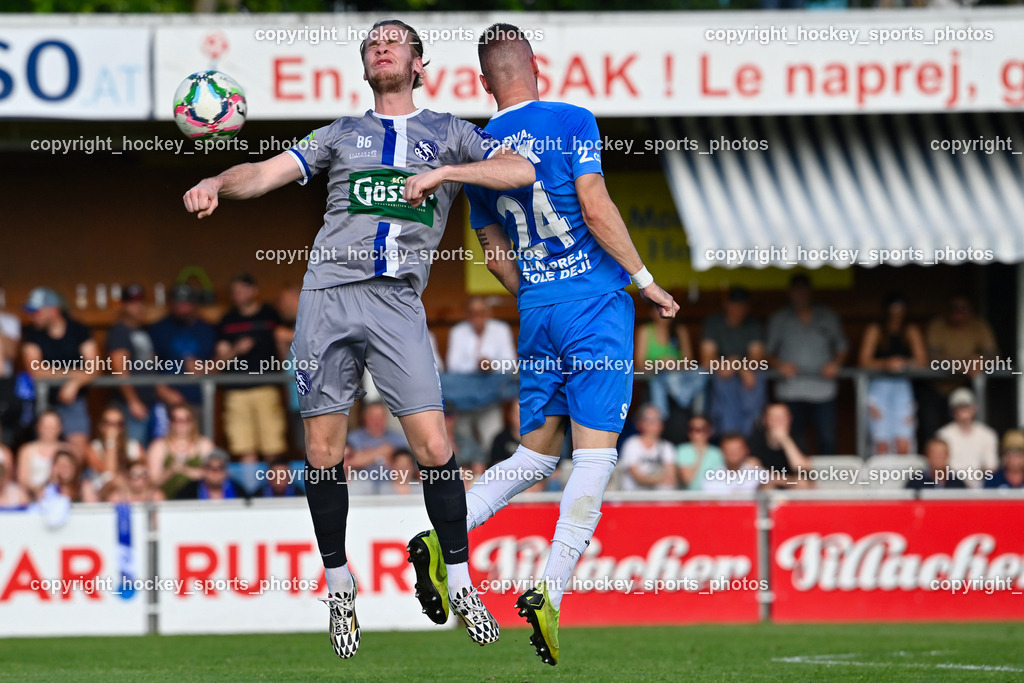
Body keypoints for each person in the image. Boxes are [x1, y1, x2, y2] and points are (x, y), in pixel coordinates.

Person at [182, 19, 535, 657]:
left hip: (399, 300)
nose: (381, 45)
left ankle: (459, 580)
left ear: (419, 63)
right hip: (327, 295)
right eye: (372, 42)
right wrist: (216, 183)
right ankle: (341, 586)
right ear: (365, 66)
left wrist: (451, 171)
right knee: (322, 450)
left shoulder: (454, 132)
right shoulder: (339, 134)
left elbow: (519, 170)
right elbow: (264, 172)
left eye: (394, 39)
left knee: (434, 444)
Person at [409, 23, 678, 666]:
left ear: (483, 83)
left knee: (535, 458)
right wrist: (645, 282)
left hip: (537, 310)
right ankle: (549, 590)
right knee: (594, 457)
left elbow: (492, 247)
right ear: (538, 68)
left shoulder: (480, 151)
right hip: (595, 308)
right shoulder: (572, 118)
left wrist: (532, 292)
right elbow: (594, 204)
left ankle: (440, 534)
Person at [766, 274, 847, 455]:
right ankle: (798, 480)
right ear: (790, 292)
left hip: (823, 390)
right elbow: (767, 353)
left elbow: (842, 347)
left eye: (804, 290)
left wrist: (836, 364)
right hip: (791, 389)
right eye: (797, 290)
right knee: (794, 439)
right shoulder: (779, 318)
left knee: (827, 438)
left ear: (810, 292)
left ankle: (828, 481)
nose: (800, 294)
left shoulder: (827, 316)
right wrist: (780, 365)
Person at [215, 273, 287, 463]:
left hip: (267, 386)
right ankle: (250, 491)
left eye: (241, 291)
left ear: (254, 291)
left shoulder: (270, 315)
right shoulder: (227, 320)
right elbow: (219, 360)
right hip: (236, 390)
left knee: (273, 446)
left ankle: (273, 491)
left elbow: (284, 345)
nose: (237, 295)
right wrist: (236, 350)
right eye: (234, 292)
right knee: (244, 448)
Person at [21, 287, 98, 460]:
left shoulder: (78, 330)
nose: (32, 316)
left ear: (53, 310)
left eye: (36, 311)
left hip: (74, 401)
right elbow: (35, 370)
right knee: (43, 455)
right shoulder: (32, 332)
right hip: (42, 401)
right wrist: (76, 374)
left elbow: (94, 366)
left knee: (77, 452)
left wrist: (74, 384)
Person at [444, 296, 517, 459]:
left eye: (481, 313)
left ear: (488, 313)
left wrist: (491, 366)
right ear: (467, 314)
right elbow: (452, 365)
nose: (477, 317)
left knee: (492, 439)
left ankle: (492, 477)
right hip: (464, 399)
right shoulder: (458, 331)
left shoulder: (501, 329)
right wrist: (477, 366)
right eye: (472, 313)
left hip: (491, 398)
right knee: (462, 440)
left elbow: (510, 363)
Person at [921, 294, 998, 442]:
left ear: (970, 311)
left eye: (963, 308)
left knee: (961, 431)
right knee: (931, 432)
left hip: (960, 387)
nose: (958, 312)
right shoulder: (938, 325)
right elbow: (932, 358)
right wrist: (961, 365)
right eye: (954, 308)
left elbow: (994, 355)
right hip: (934, 387)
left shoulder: (978, 326)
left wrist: (981, 359)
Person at [859, 293, 927, 455]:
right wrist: (885, 364)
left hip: (902, 384)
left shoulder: (910, 329)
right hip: (878, 384)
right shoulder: (875, 329)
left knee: (903, 442)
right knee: (881, 443)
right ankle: (881, 478)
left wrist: (903, 364)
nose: (897, 312)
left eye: (900, 308)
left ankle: (904, 479)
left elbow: (922, 361)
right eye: (893, 308)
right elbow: (863, 361)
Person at [700, 286, 766, 439]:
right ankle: (728, 439)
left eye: (742, 305)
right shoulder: (714, 323)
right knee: (724, 383)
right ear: (727, 304)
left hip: (745, 377)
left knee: (755, 379)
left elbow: (757, 358)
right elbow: (707, 359)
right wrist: (732, 365)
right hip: (722, 379)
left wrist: (738, 365)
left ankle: (751, 435)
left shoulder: (752, 324)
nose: (738, 309)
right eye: (735, 304)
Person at [635, 303, 705, 443]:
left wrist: (674, 364)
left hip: (680, 380)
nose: (663, 313)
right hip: (656, 381)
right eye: (659, 309)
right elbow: (639, 364)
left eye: (667, 309)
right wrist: (660, 363)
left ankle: (683, 397)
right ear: (652, 313)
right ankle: (682, 396)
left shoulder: (679, 330)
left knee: (703, 373)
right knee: (666, 377)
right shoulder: (645, 331)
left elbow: (689, 362)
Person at [106, 283, 159, 446]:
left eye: (140, 302)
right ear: (123, 305)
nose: (137, 307)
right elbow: (119, 369)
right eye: (132, 303)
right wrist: (132, 401)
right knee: (134, 451)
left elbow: (152, 365)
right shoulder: (119, 332)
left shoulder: (144, 331)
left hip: (150, 401)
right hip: (129, 405)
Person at [148, 284, 217, 408]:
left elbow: (218, 363)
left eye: (186, 303)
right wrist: (162, 391)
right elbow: (149, 365)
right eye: (179, 304)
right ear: (172, 304)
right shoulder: (159, 329)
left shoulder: (207, 329)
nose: (183, 308)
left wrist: (204, 369)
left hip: (199, 400)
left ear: (194, 304)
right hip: (167, 401)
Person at [147, 404, 215, 499]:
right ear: (170, 422)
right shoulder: (159, 446)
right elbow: (152, 481)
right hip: (167, 499)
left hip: (198, 501)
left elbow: (213, 475)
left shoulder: (204, 444)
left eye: (186, 420)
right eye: (176, 420)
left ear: (193, 422)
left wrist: (183, 469)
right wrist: (171, 470)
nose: (181, 424)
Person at [934, 388, 998, 488]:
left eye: (966, 406)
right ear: (952, 411)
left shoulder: (988, 434)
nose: (963, 411)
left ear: (974, 408)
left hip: (980, 489)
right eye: (959, 407)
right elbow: (939, 466)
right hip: (952, 488)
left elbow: (991, 467)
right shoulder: (943, 435)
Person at [346, 401, 409, 496]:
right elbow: (350, 463)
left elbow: (406, 465)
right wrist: (383, 451)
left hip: (392, 489)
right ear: (364, 417)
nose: (377, 421)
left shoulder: (398, 439)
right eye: (373, 417)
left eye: (380, 417)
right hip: (360, 488)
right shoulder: (354, 438)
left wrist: (367, 456)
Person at [747, 403, 812, 488]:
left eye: (782, 418)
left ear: (789, 419)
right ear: (765, 420)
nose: (778, 421)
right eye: (774, 418)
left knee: (802, 483)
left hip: (791, 484)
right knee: (766, 484)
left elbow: (801, 467)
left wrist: (785, 440)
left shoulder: (797, 437)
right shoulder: (756, 439)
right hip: (768, 485)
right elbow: (752, 469)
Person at [617, 405, 677, 491]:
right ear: (639, 423)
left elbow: (671, 478)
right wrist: (658, 479)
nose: (653, 424)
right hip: (633, 499)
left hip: (660, 500)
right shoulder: (631, 444)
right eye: (648, 420)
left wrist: (652, 479)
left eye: (656, 419)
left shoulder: (667, 447)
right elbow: (636, 476)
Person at [85, 406, 144, 490]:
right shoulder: (94, 448)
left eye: (119, 424)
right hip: (102, 493)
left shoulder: (135, 446)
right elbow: (109, 474)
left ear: (123, 427)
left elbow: (141, 472)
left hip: (131, 490)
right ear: (101, 426)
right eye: (109, 423)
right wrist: (111, 442)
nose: (114, 428)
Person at [16, 410, 71, 500]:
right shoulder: (27, 450)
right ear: (38, 427)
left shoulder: (67, 450)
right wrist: (38, 490)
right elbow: (23, 480)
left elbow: (71, 478)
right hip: (32, 495)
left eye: (53, 426)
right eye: (46, 426)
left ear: (60, 428)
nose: (49, 430)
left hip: (61, 494)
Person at [175, 449, 248, 500]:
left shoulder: (239, 491)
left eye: (220, 468)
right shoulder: (189, 492)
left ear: (226, 472)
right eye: (210, 467)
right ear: (204, 470)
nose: (215, 472)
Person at [676, 415, 724, 491]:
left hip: (712, 497)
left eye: (703, 429)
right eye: (693, 429)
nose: (697, 433)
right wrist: (700, 453)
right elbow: (687, 480)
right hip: (689, 498)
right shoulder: (682, 450)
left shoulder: (717, 452)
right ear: (688, 432)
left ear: (710, 431)